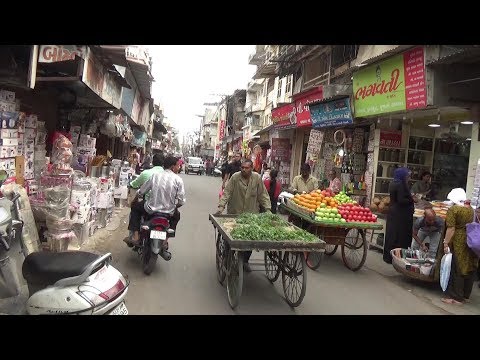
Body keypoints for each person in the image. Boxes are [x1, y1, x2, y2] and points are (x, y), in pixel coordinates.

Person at [216, 159, 271, 272]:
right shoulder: (235, 177)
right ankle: (227, 256)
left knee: (249, 240)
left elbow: (263, 195)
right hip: (234, 213)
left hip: (251, 215)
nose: (243, 169)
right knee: (230, 238)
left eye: (246, 168)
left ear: (251, 168)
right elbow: (227, 192)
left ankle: (245, 260)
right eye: (242, 167)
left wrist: (268, 209)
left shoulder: (256, 178)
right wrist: (221, 207)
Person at [125, 156, 186, 259]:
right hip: (168, 212)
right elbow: (181, 201)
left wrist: (135, 200)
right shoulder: (178, 180)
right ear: (172, 167)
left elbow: (142, 191)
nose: (179, 167)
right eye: (178, 165)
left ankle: (136, 236)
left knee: (135, 208)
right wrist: (174, 207)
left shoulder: (155, 176)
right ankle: (165, 241)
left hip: (151, 210)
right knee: (177, 216)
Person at [441, 188, 479, 305]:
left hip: (459, 240)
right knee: (469, 267)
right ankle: (466, 295)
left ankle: (456, 297)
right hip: (470, 239)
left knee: (457, 267)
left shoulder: (454, 209)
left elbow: (451, 228)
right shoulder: (471, 210)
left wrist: (446, 242)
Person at [383, 167, 415, 264]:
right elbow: (401, 200)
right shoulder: (400, 185)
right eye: (407, 176)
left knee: (392, 235)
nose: (408, 178)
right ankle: (397, 257)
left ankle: (389, 257)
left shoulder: (393, 183)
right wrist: (412, 199)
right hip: (400, 215)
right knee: (399, 236)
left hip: (394, 212)